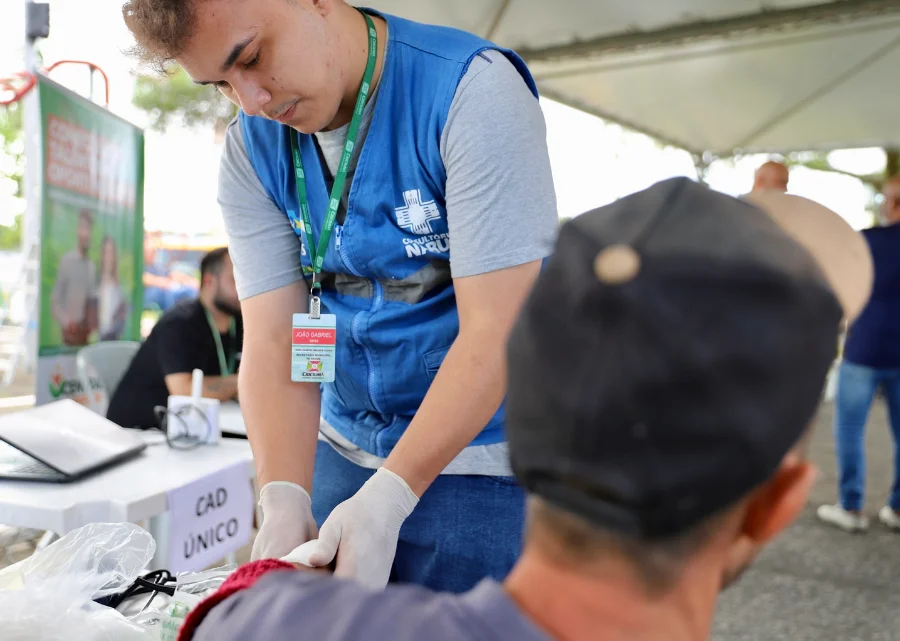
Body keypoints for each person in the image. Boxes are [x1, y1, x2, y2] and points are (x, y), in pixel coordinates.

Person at [171, 179, 872, 641]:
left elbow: (232, 612)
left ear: (525, 424)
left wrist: (286, 578)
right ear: (775, 506)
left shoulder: (268, 620)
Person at [122, 0, 558, 591]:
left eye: (251, 57)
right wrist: (280, 494)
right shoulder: (252, 148)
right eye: (221, 83)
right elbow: (278, 336)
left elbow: (498, 330)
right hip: (339, 449)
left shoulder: (472, 94)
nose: (252, 101)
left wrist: (391, 495)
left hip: (483, 464)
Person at [817, 175, 900, 532]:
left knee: (850, 430)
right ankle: (897, 508)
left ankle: (851, 507)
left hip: (864, 347)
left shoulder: (867, 241)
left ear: (891, 203)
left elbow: (841, 290)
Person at [107, 248, 243, 429]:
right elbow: (185, 391)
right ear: (210, 281)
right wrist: (242, 382)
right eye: (235, 279)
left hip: (196, 427)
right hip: (144, 431)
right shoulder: (180, 323)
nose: (243, 288)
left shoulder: (238, 322)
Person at [51, 208, 97, 346]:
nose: (86, 233)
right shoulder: (67, 261)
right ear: (77, 230)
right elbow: (55, 302)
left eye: (89, 229)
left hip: (86, 336)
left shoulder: (91, 266)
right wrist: (67, 322)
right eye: (83, 228)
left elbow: (92, 300)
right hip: (69, 336)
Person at [97, 236, 129, 341]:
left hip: (112, 338)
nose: (108, 257)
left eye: (111, 253)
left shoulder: (118, 286)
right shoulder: (95, 281)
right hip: (95, 340)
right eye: (106, 252)